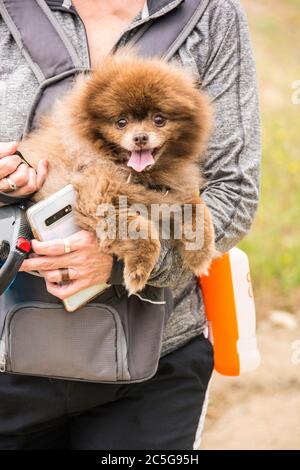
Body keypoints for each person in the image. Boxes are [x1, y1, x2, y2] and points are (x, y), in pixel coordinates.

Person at [0, 0, 261, 450]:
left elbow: (233, 193)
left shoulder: (211, 16)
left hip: (155, 366)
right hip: (8, 359)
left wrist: (125, 258)